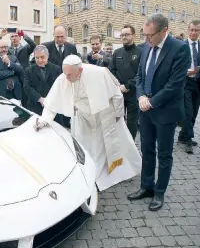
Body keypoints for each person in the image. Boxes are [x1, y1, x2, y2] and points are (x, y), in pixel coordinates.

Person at [33, 55, 142, 192]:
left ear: (80, 70)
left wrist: (118, 114)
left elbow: (117, 95)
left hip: (103, 114)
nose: (67, 78)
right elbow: (51, 104)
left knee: (106, 145)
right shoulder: (64, 77)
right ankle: (89, 173)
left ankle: (114, 172)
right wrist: (44, 120)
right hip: (82, 116)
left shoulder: (99, 73)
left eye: (70, 74)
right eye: (65, 73)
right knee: (84, 145)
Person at [127, 14, 191, 211]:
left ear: (164, 31)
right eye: (144, 35)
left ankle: (159, 192)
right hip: (145, 109)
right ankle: (147, 186)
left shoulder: (179, 48)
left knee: (164, 154)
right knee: (147, 150)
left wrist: (151, 102)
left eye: (150, 35)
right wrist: (140, 97)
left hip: (165, 111)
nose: (146, 39)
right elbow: (139, 76)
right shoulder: (146, 45)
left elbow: (175, 84)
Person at [178, 20, 200, 154]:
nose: (193, 32)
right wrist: (184, 71)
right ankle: (188, 139)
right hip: (185, 84)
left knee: (194, 113)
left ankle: (182, 135)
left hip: (198, 83)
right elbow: (174, 64)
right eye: (191, 30)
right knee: (188, 112)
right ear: (188, 30)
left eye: (196, 30)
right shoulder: (181, 45)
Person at [110, 24, 142, 140]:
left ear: (133, 36)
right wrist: (118, 85)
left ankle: (131, 144)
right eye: (122, 35)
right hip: (118, 92)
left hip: (133, 93)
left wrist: (128, 85)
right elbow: (111, 71)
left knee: (132, 123)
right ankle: (120, 143)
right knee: (118, 120)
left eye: (127, 34)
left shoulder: (140, 52)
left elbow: (140, 74)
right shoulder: (117, 53)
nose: (124, 37)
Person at [23, 45, 63, 126]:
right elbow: (27, 87)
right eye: (37, 58)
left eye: (42, 57)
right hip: (35, 107)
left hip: (53, 108)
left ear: (47, 56)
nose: (40, 60)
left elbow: (60, 87)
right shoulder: (28, 70)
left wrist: (50, 100)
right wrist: (40, 99)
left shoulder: (57, 69)